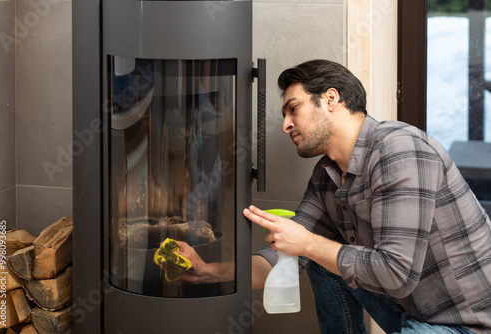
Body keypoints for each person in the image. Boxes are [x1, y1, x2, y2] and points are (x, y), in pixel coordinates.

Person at [175, 59, 491, 333]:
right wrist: (210, 271)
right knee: (320, 254)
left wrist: (307, 243)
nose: (285, 125)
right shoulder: (326, 176)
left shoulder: (399, 149)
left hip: (465, 323)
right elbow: (289, 255)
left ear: (330, 99)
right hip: (411, 312)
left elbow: (397, 272)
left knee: (317, 247)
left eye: (293, 109)